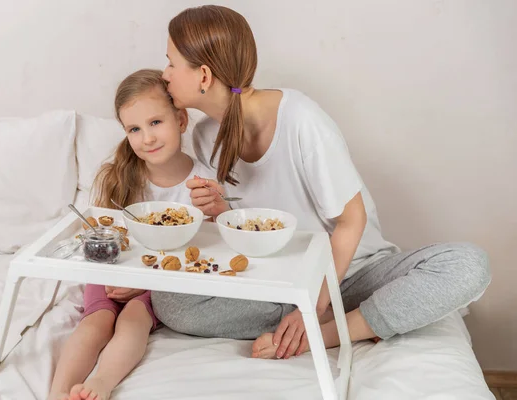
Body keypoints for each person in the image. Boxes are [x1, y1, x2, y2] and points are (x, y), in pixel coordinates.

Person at [151, 4, 491, 360]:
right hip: (280, 276)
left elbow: (352, 219)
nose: (165, 74)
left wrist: (312, 308)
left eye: (172, 63)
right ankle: (370, 318)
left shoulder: (301, 119)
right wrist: (220, 211)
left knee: (468, 263)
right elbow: (252, 227)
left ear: (203, 76)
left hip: (352, 272)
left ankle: (324, 333)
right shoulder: (206, 136)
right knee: (170, 301)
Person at [48, 69, 215, 400]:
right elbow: (98, 232)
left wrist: (143, 281)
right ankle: (57, 394)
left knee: (134, 320)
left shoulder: (201, 184)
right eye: (134, 129)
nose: (147, 138)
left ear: (180, 120)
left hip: (157, 280)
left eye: (156, 123)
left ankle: (101, 383)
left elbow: (201, 251)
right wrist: (113, 269)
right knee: (96, 321)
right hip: (112, 269)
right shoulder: (119, 176)